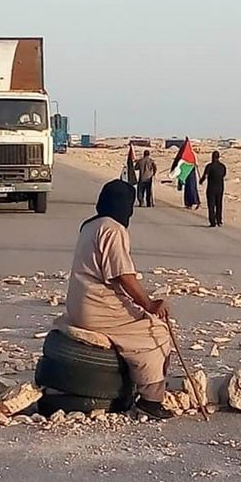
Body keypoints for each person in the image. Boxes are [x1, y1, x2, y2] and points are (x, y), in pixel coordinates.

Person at [65, 180, 174, 420]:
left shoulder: (90, 225)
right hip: (97, 306)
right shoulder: (113, 229)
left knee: (141, 320)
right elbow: (123, 275)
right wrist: (149, 304)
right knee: (154, 333)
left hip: (79, 303)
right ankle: (150, 399)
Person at [199, 151, 227, 227]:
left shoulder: (209, 166)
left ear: (212, 157)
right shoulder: (223, 166)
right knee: (219, 204)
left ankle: (212, 222)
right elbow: (224, 175)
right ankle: (219, 220)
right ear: (219, 157)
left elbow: (205, 175)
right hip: (220, 188)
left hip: (211, 188)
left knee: (211, 205)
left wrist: (201, 181)